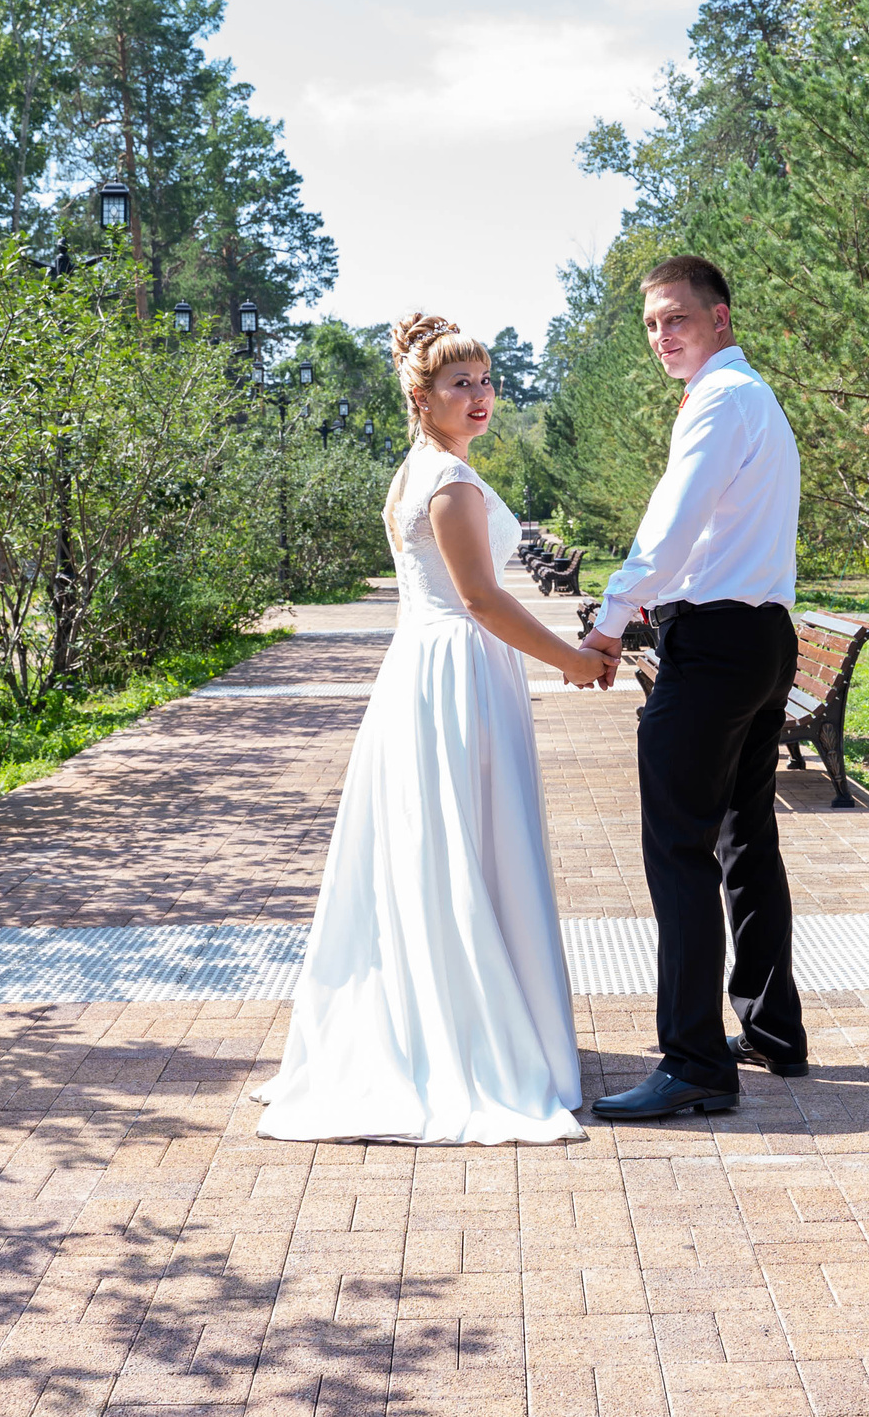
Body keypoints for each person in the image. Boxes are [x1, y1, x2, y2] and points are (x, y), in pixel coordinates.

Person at [253, 315, 614, 1145]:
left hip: (429, 667)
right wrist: (571, 659)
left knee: (442, 849)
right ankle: (466, 1038)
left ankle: (445, 1018)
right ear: (421, 396)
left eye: (485, 380)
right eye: (460, 384)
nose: (480, 395)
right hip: (457, 668)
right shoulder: (448, 480)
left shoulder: (418, 470)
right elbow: (480, 598)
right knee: (462, 845)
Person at [579, 255, 806, 1121]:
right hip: (760, 639)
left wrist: (609, 621)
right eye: (651, 324)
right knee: (745, 839)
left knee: (678, 848)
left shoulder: (720, 399)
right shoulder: (754, 396)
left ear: (720, 317)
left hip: (714, 645)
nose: (661, 335)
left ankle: (695, 1061)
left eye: (676, 317)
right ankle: (773, 1030)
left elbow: (670, 526)